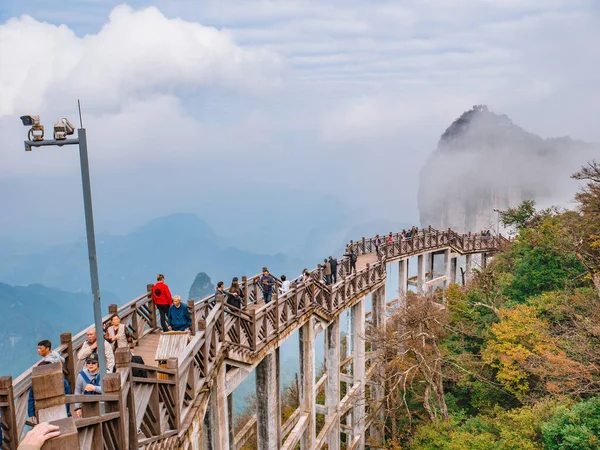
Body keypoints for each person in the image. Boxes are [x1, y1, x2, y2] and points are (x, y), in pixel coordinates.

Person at [74, 354, 103, 418]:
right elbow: (77, 392)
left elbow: (108, 390)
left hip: (102, 405)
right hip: (87, 406)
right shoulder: (81, 375)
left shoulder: (104, 372)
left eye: (93, 363)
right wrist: (77, 407)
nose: (90, 364)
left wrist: (94, 388)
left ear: (98, 363)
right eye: (88, 362)